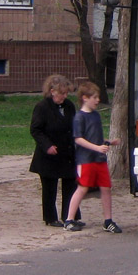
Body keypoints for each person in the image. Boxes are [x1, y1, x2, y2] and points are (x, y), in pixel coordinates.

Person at [63, 82, 121, 233]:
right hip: (85, 160)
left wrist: (109, 143)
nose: (97, 100)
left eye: (97, 97)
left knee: (106, 188)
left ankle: (108, 220)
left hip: (99, 159)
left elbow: (96, 138)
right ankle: (69, 219)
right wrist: (96, 148)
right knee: (83, 188)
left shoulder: (96, 115)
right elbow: (78, 139)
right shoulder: (79, 117)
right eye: (94, 97)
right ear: (85, 98)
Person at [29, 74, 82, 228]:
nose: (64, 97)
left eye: (66, 93)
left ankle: (70, 216)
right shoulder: (42, 107)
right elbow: (35, 129)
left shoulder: (69, 106)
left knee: (70, 186)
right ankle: (50, 218)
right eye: (61, 93)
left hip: (67, 153)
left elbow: (74, 125)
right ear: (52, 91)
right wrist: (47, 145)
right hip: (49, 155)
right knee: (49, 187)